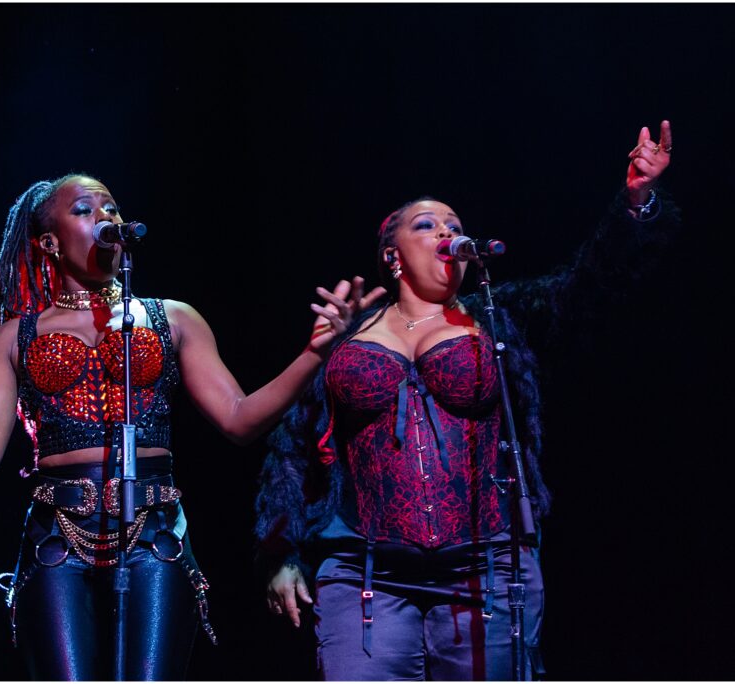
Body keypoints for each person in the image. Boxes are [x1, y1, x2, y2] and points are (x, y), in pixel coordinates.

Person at [0, 172, 384, 680]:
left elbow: (239, 420)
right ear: (49, 242)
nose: (106, 216)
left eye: (112, 208)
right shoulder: (10, 339)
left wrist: (313, 354)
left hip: (154, 533)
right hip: (57, 539)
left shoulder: (172, 318)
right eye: (84, 209)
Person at [256, 121, 676, 680]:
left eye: (454, 225)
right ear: (393, 254)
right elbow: (290, 446)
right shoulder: (347, 336)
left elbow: (586, 286)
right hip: (365, 573)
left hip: (488, 569)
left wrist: (636, 201)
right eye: (426, 224)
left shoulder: (496, 317)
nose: (445, 233)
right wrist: (280, 552)